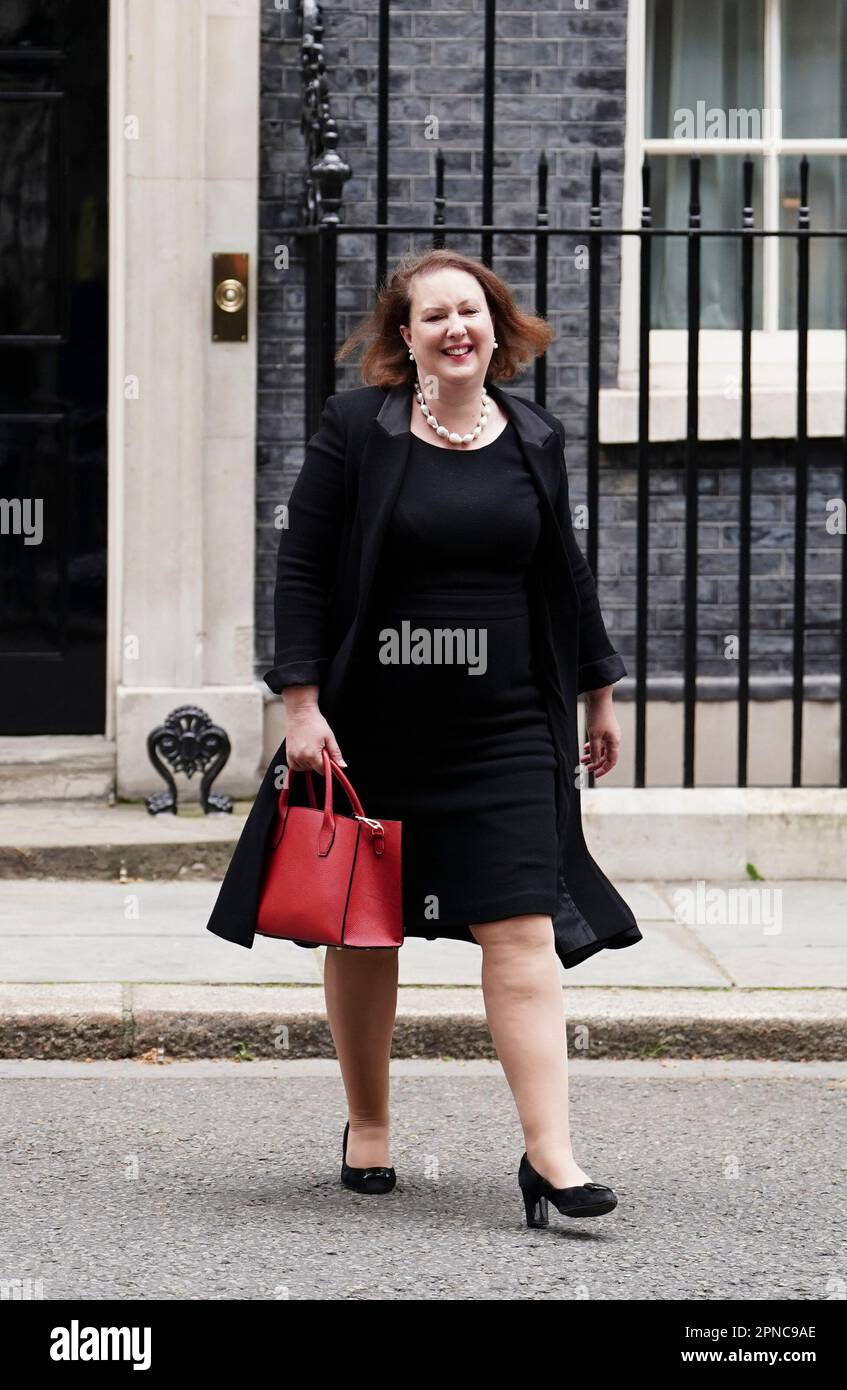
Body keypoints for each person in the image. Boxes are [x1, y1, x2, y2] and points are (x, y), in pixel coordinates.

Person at [209, 247, 643, 1226]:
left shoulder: (534, 436)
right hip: (371, 725)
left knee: (521, 929)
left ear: (496, 326)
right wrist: (301, 704)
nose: (455, 328)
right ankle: (368, 1124)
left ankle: (552, 1154)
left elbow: (562, 575)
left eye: (471, 311)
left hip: (500, 729)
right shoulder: (356, 431)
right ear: (403, 340)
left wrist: (597, 692)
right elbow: (304, 566)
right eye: (432, 315)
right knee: (365, 930)